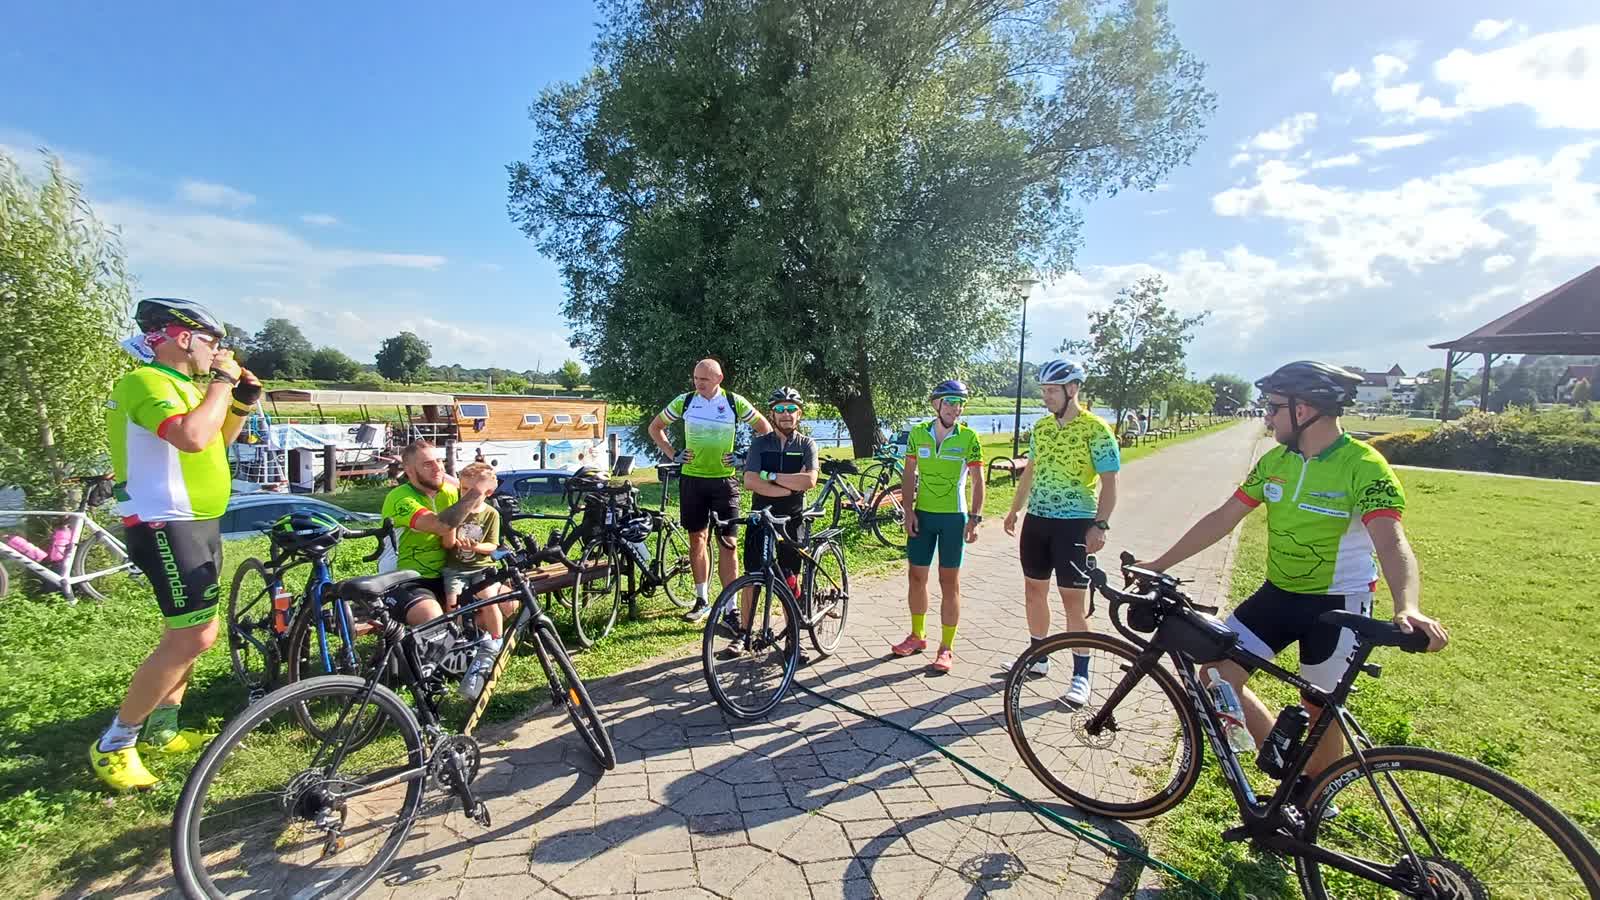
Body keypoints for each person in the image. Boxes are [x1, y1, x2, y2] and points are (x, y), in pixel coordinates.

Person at [1143, 361, 1448, 798]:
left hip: (1337, 606)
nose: (1266, 417)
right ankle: (1290, 775)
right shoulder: (1275, 462)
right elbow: (1224, 518)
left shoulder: (1363, 466)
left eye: (1272, 407)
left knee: (1320, 709)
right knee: (1215, 675)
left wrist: (1408, 606)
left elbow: (1392, 542)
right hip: (1277, 595)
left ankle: (1318, 797)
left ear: (1303, 410)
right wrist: (1160, 563)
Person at [91, 298, 261, 791]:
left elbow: (213, 441)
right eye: (213, 341)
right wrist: (223, 384)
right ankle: (116, 742)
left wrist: (241, 403)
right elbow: (189, 436)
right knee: (193, 636)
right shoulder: (145, 383)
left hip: (198, 521)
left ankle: (164, 726)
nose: (219, 352)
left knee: (194, 628)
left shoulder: (187, 386)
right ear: (182, 337)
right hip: (165, 523)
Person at [1003, 359, 1119, 704]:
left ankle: (1081, 675)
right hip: (1037, 521)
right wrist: (1014, 509)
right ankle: (1038, 657)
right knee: (1033, 592)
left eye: (1052, 391)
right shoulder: (1041, 428)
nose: (1046, 397)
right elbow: (1030, 472)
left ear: (1073, 389)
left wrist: (1099, 525)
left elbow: (1111, 484)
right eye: (1043, 391)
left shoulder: (1096, 429)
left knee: (1073, 601)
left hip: (1074, 523)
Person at [648, 359, 772, 622]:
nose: (698, 383)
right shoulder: (685, 401)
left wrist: (744, 458)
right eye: (695, 378)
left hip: (724, 483)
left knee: (728, 544)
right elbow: (655, 427)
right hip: (692, 481)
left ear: (718, 378)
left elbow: (765, 430)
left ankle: (731, 608)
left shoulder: (733, 402)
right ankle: (702, 600)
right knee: (697, 540)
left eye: (704, 379)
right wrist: (674, 453)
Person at [892, 380, 985, 673]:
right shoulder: (918, 433)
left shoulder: (969, 437)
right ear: (936, 405)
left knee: (949, 582)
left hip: (953, 518)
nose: (954, 409)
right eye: (948, 402)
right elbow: (909, 474)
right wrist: (908, 511)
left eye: (959, 403)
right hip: (923, 515)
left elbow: (977, 480)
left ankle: (946, 648)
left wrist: (975, 517)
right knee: (916, 577)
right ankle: (917, 636)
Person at [722, 387, 819, 655]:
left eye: (791, 409)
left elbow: (809, 480)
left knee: (790, 578)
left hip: (791, 518)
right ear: (771, 413)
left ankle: (793, 639)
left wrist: (771, 477)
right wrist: (788, 486)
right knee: (753, 576)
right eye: (780, 409)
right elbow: (750, 481)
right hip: (761, 517)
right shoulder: (760, 443)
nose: (786, 414)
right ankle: (743, 634)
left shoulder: (806, 444)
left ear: (799, 414)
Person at [380, 439, 497, 632]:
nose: (437, 468)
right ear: (409, 471)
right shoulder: (399, 498)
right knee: (432, 617)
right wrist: (477, 490)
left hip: (451, 572)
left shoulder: (449, 492)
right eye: (427, 464)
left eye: (440, 461)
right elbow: (440, 525)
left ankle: (462, 644)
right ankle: (432, 649)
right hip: (407, 579)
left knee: (508, 603)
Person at [439, 462, 517, 699]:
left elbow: (493, 546)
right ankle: (459, 639)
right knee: (452, 603)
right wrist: (454, 539)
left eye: (473, 492)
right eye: (463, 490)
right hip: (455, 568)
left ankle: (495, 640)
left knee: (488, 597)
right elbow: (447, 544)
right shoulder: (455, 510)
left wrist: (477, 547)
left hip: (482, 567)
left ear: (488, 493)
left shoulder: (490, 514)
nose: (467, 496)